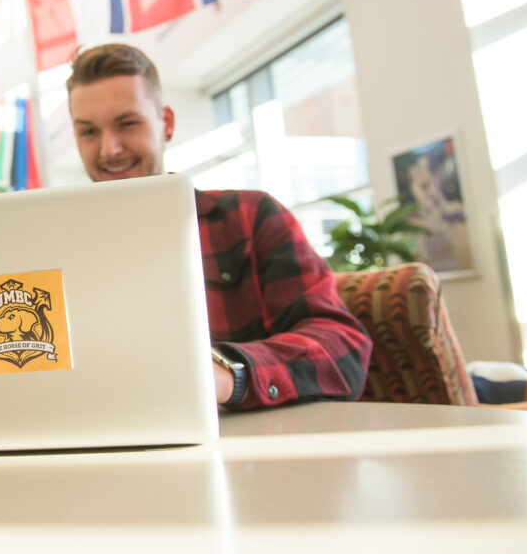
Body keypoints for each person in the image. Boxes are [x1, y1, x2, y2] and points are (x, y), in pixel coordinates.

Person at [66, 43, 372, 409]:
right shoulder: (64, 247)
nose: (108, 150)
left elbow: (342, 345)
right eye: (88, 132)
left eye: (127, 124)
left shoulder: (250, 217)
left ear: (166, 123)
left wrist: (225, 374)